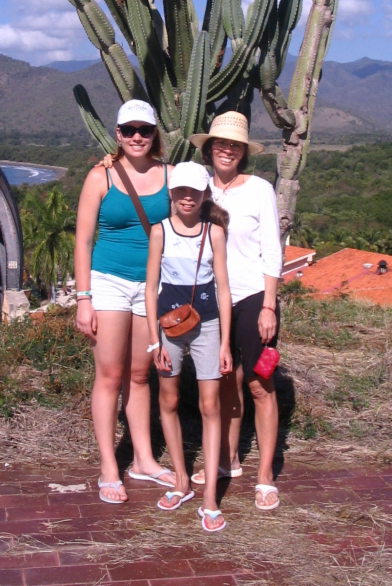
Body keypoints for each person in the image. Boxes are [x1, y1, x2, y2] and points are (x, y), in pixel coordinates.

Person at [74, 99, 176, 504]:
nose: (137, 137)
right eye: (129, 130)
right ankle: (108, 467)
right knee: (110, 375)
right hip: (109, 282)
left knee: (139, 374)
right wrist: (84, 299)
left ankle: (144, 460)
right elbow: (83, 241)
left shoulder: (171, 175)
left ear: (155, 134)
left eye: (144, 130)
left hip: (152, 287)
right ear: (117, 134)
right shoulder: (100, 177)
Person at [189, 111, 283, 512]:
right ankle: (227, 460)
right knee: (226, 379)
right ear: (209, 148)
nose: (226, 150)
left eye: (234, 145)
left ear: (243, 152)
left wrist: (269, 305)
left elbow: (273, 248)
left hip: (253, 297)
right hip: (213, 300)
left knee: (261, 384)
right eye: (220, 144)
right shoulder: (199, 188)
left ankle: (265, 475)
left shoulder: (260, 189)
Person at [145, 161, 233, 532]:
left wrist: (225, 342)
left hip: (207, 323)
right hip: (168, 326)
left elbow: (224, 289)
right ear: (171, 193)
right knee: (168, 401)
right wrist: (154, 342)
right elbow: (151, 288)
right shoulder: (160, 231)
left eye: (194, 192)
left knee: (210, 405)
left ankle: (210, 496)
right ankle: (181, 480)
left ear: (204, 195)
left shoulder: (214, 233)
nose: (187, 198)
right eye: (180, 190)